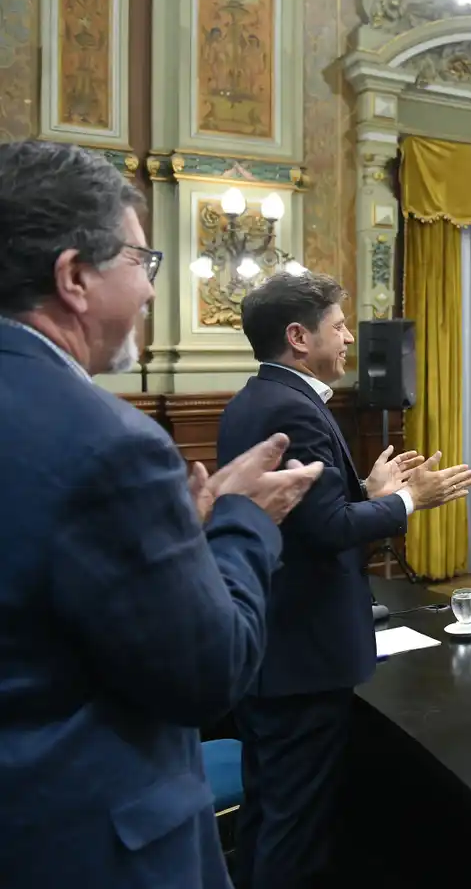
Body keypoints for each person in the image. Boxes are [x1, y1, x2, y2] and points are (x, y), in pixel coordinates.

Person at [0, 139, 323, 889]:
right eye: (141, 262)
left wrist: (178, 532)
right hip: (92, 841)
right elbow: (209, 673)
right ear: (74, 277)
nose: (150, 291)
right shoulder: (107, 443)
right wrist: (242, 521)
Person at [219, 272, 471, 889]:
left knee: (268, 811)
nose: (349, 340)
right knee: (295, 826)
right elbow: (327, 530)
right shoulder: (290, 407)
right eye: (338, 327)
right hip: (302, 655)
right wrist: (409, 500)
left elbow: (302, 513)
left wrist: (367, 490)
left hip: (275, 645)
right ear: (298, 336)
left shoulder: (258, 397)